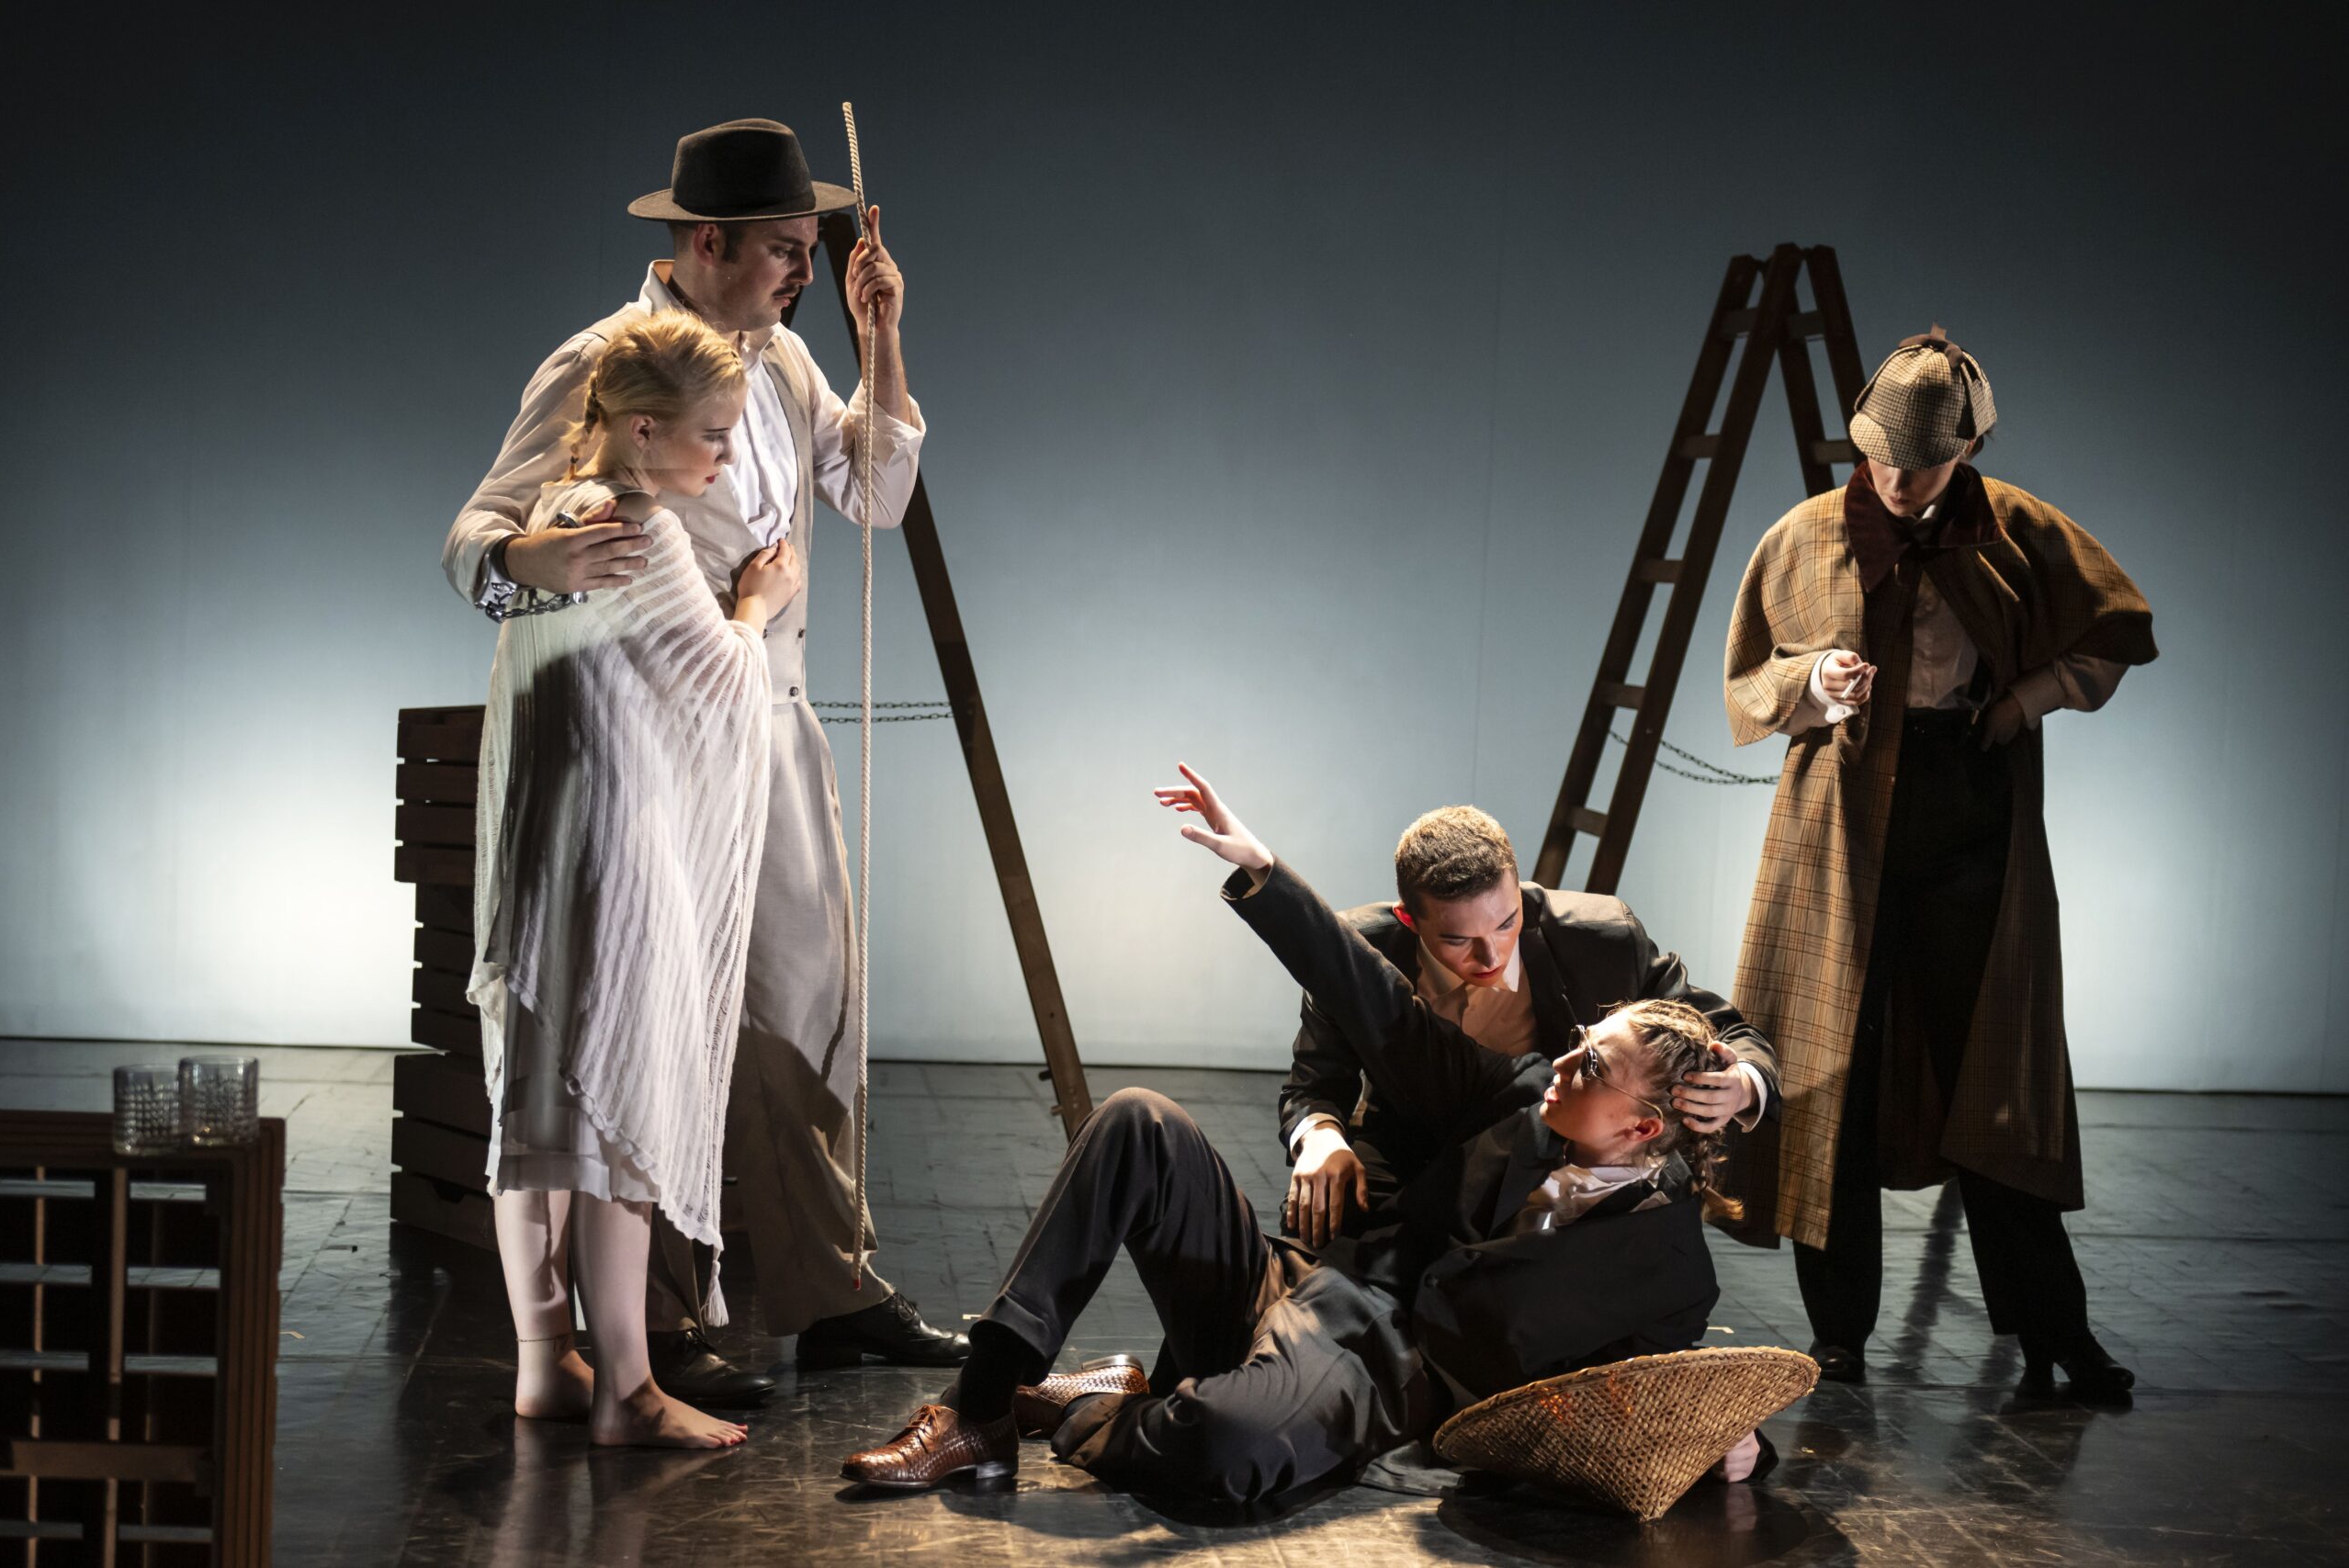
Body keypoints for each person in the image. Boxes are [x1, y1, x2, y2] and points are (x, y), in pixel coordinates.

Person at [838, 766, 1771, 1501]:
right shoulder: (1514, 1092)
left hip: (1369, 1363)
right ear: (1413, 922)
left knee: (1226, 1449)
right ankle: (980, 1408)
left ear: (1645, 1123)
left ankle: (1104, 1405)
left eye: (1591, 1063)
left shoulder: (1663, 1252)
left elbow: (1659, 1378)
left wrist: (1732, 1445)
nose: (1563, 1056)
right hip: (1315, 1269)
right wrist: (1261, 871)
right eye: (1460, 939)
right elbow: (1369, 1010)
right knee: (1136, 1119)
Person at [443, 118, 966, 1399]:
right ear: (708, 242)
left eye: (811, 248)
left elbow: (875, 492)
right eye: (786, 248)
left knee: (803, 1009)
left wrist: (880, 337)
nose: (803, 270)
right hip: (660, 743)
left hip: (769, 723)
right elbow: (475, 536)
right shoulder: (608, 360)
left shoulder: (787, 359)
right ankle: (659, 1325)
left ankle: (830, 1288)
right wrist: (528, 558)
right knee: (661, 1012)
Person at [1722, 327, 2158, 1399]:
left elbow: (2115, 631)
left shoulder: (2016, 529)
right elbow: (1749, 682)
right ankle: (1837, 1335)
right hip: (1840, 828)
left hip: (1970, 809)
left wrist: (2023, 701)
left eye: (1920, 463)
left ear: (1966, 450)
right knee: (1833, 1071)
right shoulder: (1805, 536)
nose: (1896, 479)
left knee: (1993, 1080)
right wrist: (1815, 685)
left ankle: (2054, 1330)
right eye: (1878, 456)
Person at [469, 310, 793, 1448]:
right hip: (620, 855)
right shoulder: (640, 532)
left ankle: (541, 1364)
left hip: (545, 849)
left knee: (541, 1111)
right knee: (623, 1117)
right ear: (645, 430)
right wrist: (755, 608)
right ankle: (628, 1390)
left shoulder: (557, 518)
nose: (724, 459)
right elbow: (718, 683)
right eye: (713, 434)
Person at [1278, 804, 1778, 1248]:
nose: (1490, 956)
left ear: (1518, 892)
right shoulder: (1360, 949)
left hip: (1557, 1146)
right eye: (1458, 940)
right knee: (1330, 1231)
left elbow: (1730, 1031)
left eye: (1506, 923)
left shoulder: (1601, 936)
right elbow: (1314, 1084)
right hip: (1412, 1143)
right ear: (1409, 919)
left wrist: (1741, 1085)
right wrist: (1321, 1136)